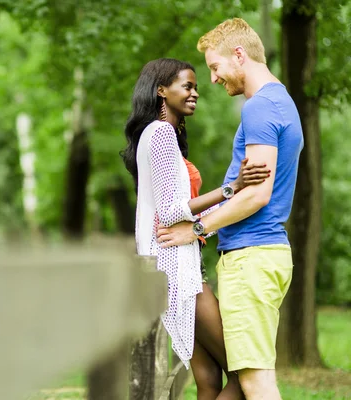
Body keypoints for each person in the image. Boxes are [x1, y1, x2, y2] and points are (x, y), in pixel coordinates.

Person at [156, 18, 304, 400]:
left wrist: (197, 229)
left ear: (239, 55)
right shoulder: (282, 101)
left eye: (215, 67)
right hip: (262, 255)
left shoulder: (259, 108)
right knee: (246, 379)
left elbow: (257, 195)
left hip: (252, 257)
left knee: (255, 382)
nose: (215, 78)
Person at [121, 58, 269, 399]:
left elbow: (175, 211)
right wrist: (233, 187)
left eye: (196, 87)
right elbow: (172, 212)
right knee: (245, 375)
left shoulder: (159, 136)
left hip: (170, 267)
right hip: (178, 274)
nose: (195, 93)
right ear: (161, 90)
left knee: (209, 381)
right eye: (187, 86)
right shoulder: (159, 134)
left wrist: (232, 200)